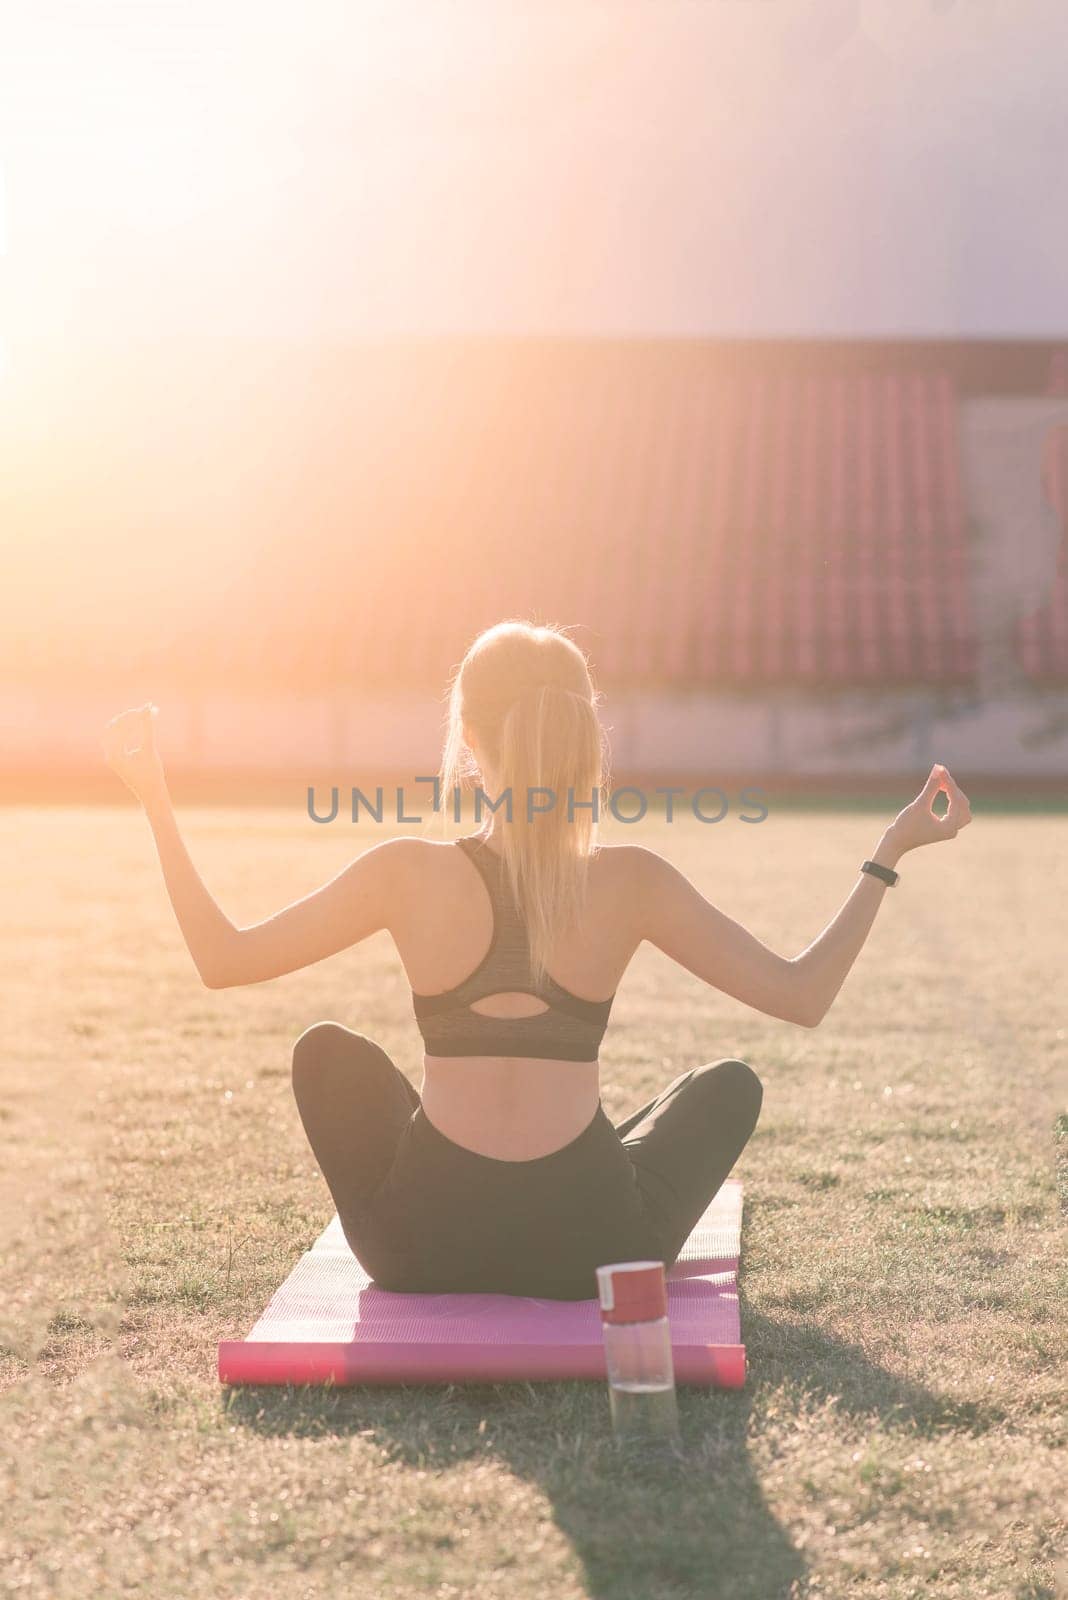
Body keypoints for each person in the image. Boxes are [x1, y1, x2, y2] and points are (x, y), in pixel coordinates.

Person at [103, 620, 972, 1299]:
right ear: (583, 742)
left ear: (470, 740)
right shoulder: (631, 882)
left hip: (417, 1247)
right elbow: (802, 994)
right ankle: (595, 1158)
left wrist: (155, 802)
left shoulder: (406, 871)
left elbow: (223, 959)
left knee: (325, 1052)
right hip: (594, 1251)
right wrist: (890, 850)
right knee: (729, 1083)